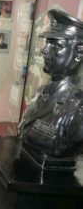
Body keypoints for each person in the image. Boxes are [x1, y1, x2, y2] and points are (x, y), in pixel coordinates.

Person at [19, 9, 83, 158]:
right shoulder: (42, 91)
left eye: (56, 46)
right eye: (48, 43)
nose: (45, 51)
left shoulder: (78, 107)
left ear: (79, 53)